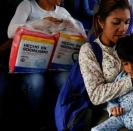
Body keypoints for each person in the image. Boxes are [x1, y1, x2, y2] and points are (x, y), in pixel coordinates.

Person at [7, 0, 81, 130]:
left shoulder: (62, 12)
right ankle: (36, 123)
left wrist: (71, 26)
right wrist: (40, 24)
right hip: (31, 65)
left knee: (65, 79)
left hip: (56, 66)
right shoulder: (28, 5)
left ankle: (61, 121)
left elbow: (80, 36)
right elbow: (11, 31)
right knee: (35, 82)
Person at [91, 34, 133, 131]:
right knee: (96, 130)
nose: (130, 68)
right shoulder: (121, 78)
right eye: (126, 64)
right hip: (124, 116)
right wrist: (114, 109)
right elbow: (112, 99)